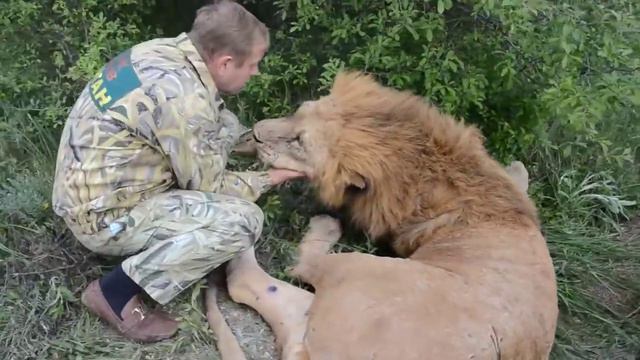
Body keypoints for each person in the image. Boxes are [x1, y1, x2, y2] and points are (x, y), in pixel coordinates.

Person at [51, 0, 303, 343]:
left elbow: (211, 123)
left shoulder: (162, 52)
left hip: (85, 191)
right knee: (243, 220)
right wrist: (271, 177)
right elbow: (210, 188)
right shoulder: (185, 100)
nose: (256, 72)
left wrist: (250, 143)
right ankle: (116, 292)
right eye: (254, 64)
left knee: (225, 122)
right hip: (105, 218)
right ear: (225, 62)